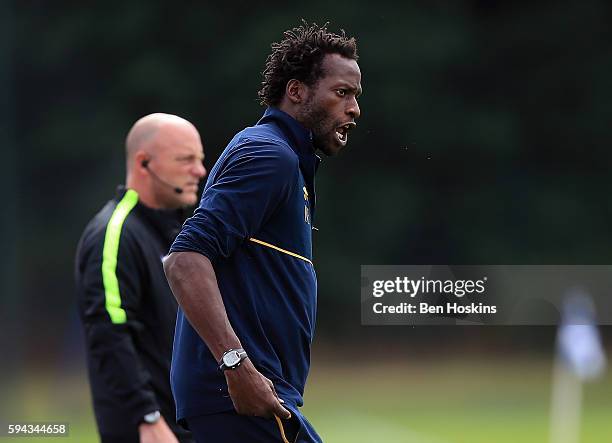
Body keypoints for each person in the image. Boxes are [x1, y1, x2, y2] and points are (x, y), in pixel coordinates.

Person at [163, 22, 362, 442]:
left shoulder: (283, 157)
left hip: (256, 396)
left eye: (355, 96)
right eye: (342, 93)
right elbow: (185, 259)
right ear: (296, 91)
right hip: (242, 397)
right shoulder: (268, 155)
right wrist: (236, 365)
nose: (354, 109)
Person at [75, 113, 206, 443]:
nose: (199, 171)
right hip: (150, 431)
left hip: (187, 425)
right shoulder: (115, 233)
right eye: (186, 159)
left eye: (199, 159)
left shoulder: (175, 234)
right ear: (144, 163)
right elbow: (107, 331)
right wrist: (146, 417)